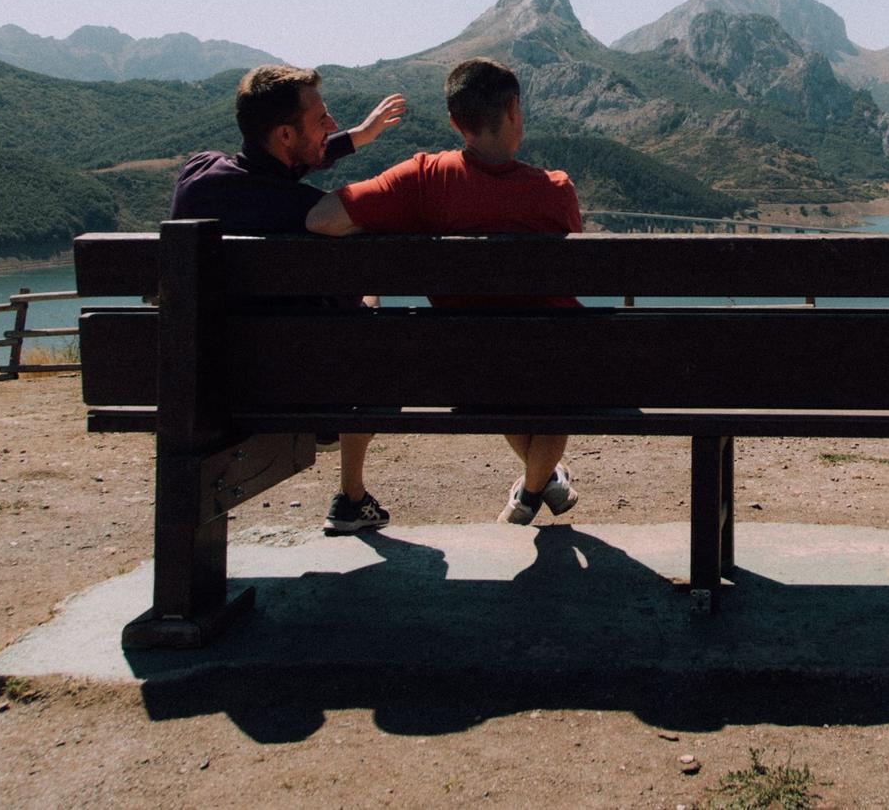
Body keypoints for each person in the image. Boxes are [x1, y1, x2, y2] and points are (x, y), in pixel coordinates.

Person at [306, 56, 582, 524]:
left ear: (456, 122)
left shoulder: (423, 179)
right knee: (549, 375)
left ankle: (538, 487)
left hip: (468, 366)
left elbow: (322, 219)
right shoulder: (556, 190)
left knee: (500, 367)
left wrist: (388, 229)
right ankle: (532, 493)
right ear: (514, 109)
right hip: (554, 363)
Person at [170, 63, 406, 535]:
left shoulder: (198, 176)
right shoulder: (309, 216)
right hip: (300, 391)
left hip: (201, 382)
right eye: (322, 121)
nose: (333, 126)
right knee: (369, 304)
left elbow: (272, 174)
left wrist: (357, 137)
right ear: (283, 133)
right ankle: (351, 491)